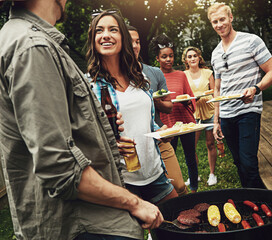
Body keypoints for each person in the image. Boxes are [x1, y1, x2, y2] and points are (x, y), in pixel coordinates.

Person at [0, 1, 163, 239]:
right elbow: (60, 167)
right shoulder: (33, 47)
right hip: (77, 222)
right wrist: (134, 203)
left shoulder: (23, 37)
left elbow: (54, 131)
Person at [86, 10, 178, 206]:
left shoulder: (140, 78)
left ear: (123, 38)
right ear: (93, 39)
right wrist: (110, 145)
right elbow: (85, 137)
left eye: (113, 29)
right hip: (122, 181)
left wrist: (160, 131)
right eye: (99, 30)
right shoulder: (90, 86)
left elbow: (147, 120)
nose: (106, 35)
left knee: (176, 222)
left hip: (155, 172)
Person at [207, 3, 272, 188]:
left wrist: (256, 88)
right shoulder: (215, 53)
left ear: (231, 18)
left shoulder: (251, 41)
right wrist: (216, 121)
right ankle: (252, 202)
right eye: (215, 21)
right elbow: (217, 89)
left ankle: (265, 204)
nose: (219, 24)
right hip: (226, 115)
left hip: (248, 110)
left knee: (248, 163)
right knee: (239, 163)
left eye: (222, 19)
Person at [127, 25, 188, 197]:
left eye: (137, 41)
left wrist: (153, 100)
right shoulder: (116, 76)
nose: (135, 46)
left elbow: (168, 107)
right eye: (130, 41)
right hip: (133, 144)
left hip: (159, 136)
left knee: (180, 186)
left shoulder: (153, 73)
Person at [149, 34, 199, 193]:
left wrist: (187, 101)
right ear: (158, 58)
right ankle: (173, 188)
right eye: (164, 56)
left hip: (185, 122)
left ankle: (194, 188)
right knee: (171, 157)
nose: (168, 59)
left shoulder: (181, 75)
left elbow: (190, 97)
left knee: (191, 156)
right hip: (167, 124)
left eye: (170, 56)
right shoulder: (155, 75)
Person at [182, 46, 218, 186]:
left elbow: (214, 92)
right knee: (192, 146)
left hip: (209, 110)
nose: (192, 59)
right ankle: (194, 175)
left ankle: (212, 174)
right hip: (193, 113)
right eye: (189, 56)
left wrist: (217, 113)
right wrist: (192, 99)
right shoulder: (183, 75)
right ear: (186, 60)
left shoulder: (208, 72)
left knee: (210, 143)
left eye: (194, 56)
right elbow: (184, 94)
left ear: (199, 57)